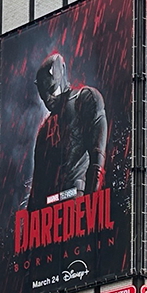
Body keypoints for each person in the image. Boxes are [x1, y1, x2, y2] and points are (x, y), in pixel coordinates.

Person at [25, 53, 109, 209]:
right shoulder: (45, 130)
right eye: (44, 95)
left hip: (76, 199)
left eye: (51, 90)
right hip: (52, 207)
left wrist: (91, 203)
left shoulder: (84, 98)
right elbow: (37, 186)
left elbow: (97, 157)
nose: (48, 99)